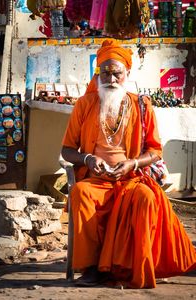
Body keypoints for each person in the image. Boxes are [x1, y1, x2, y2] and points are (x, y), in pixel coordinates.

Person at [61, 39, 196, 289]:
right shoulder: (84, 104)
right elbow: (67, 150)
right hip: (96, 180)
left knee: (146, 197)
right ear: (98, 74)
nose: (111, 79)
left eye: (117, 74)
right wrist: (89, 159)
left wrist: (132, 164)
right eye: (106, 73)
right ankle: (91, 269)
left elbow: (155, 151)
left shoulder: (141, 105)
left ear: (127, 74)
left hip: (132, 179)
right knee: (80, 193)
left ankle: (134, 265)